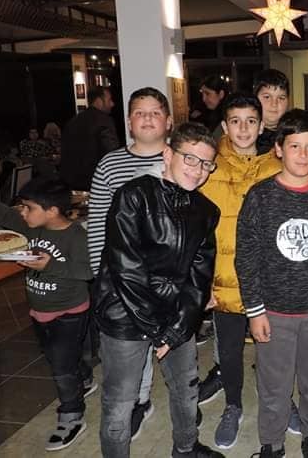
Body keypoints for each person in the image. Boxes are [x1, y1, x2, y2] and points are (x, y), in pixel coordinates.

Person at [93, 122, 223, 458]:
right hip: (125, 312)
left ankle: (186, 447)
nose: (198, 170)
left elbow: (199, 276)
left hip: (177, 315)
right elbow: (126, 268)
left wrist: (178, 327)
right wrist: (156, 329)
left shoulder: (206, 211)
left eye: (206, 164)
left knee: (185, 387)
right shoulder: (133, 196)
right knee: (120, 401)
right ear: (168, 154)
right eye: (190, 159)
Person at [236, 109, 308, 458]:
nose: (303, 154)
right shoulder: (260, 196)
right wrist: (254, 311)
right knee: (274, 385)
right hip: (273, 312)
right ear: (279, 148)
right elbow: (246, 257)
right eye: (295, 146)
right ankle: (272, 442)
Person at [0, 177, 94, 451]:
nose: (22, 212)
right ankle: (83, 377)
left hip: (69, 311)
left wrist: (50, 266)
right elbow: (1, 213)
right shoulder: (29, 227)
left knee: (60, 365)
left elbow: (86, 271)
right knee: (59, 357)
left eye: (28, 207)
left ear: (52, 211)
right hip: (39, 310)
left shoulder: (76, 237)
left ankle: (72, 415)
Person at [87, 87, 173, 440]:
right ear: (128, 121)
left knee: (171, 341)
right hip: (124, 275)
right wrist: (99, 273)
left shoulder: (181, 158)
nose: (147, 118)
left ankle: (184, 400)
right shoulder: (109, 164)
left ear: (168, 121)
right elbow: (98, 221)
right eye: (140, 112)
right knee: (133, 341)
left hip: (169, 272)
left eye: (155, 112)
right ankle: (139, 400)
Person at [196, 93, 281, 450]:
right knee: (229, 352)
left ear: (261, 126)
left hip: (270, 283)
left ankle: (279, 402)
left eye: (251, 121)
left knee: (272, 351)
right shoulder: (209, 168)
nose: (243, 129)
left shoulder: (277, 166)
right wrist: (203, 283)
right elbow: (199, 232)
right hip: (225, 281)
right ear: (225, 126)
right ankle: (233, 405)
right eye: (235, 121)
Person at [60, 86, 120, 191]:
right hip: (97, 183)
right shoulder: (104, 121)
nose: (112, 104)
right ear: (99, 101)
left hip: (71, 184)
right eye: (109, 100)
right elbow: (112, 153)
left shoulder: (73, 121)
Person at [254, 69, 291, 154]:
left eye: (281, 98)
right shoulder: (242, 135)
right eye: (267, 97)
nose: (274, 104)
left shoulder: (295, 134)